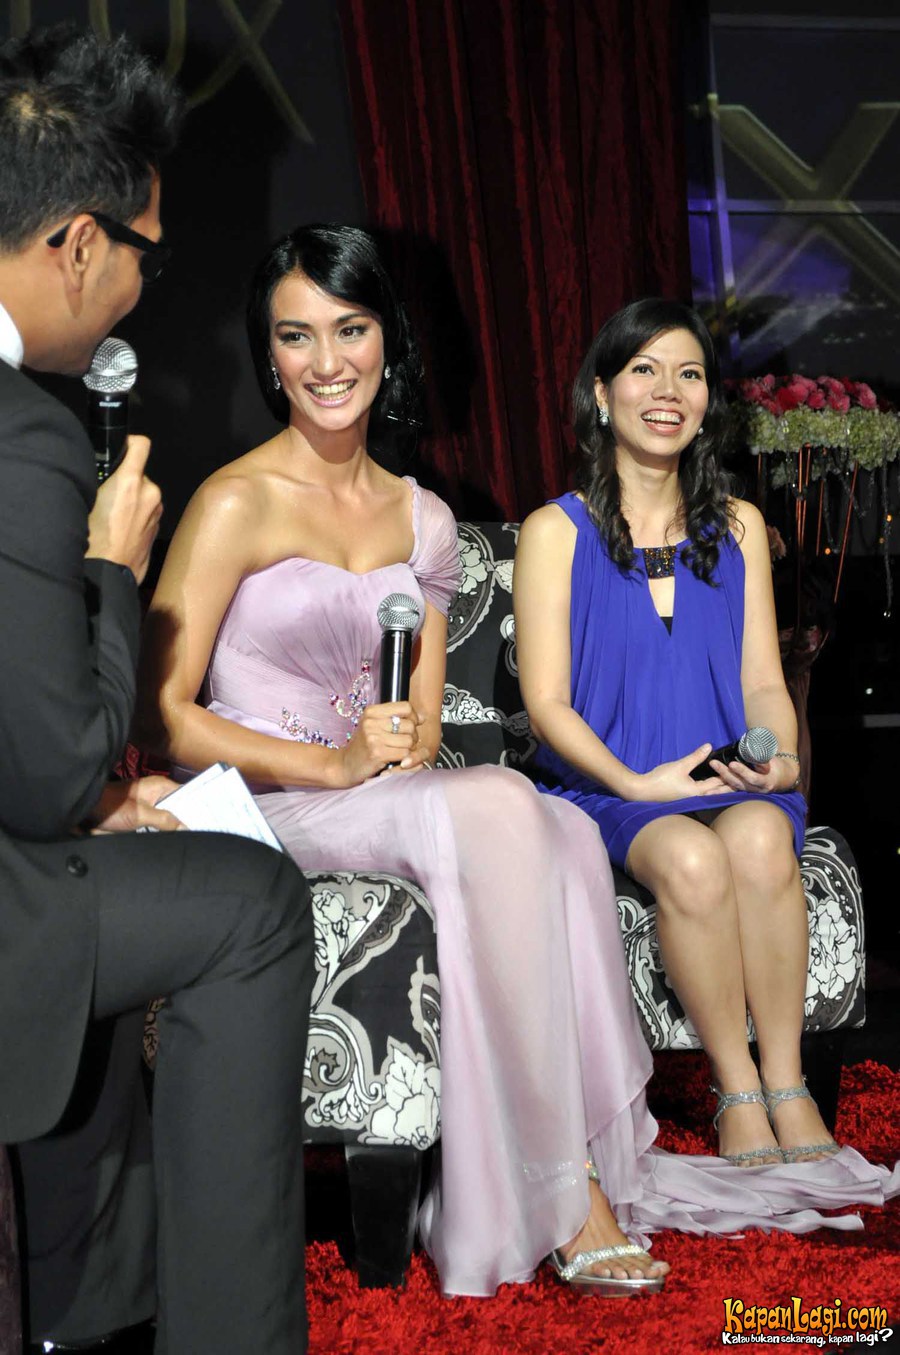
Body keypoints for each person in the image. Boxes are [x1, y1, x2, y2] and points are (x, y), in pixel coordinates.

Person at [138, 228, 898, 1301]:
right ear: (268, 355)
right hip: (277, 799)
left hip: (380, 793)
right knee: (503, 803)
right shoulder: (234, 502)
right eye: (296, 336)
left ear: (387, 344)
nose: (327, 360)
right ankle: (569, 1189)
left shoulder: (424, 520)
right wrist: (332, 760)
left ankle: (601, 1149)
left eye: (350, 329)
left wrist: (388, 746)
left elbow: (418, 724)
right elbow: (162, 712)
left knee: (558, 822)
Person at [0, 27, 313, 1354]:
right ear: (77, 243)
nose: (141, 291)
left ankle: (86, 1309)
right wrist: (113, 573)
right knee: (250, 904)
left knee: (138, 877)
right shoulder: (23, 435)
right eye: (146, 255)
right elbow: (59, 770)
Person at [513, 298, 879, 1168]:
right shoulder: (553, 532)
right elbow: (547, 704)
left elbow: (762, 680)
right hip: (610, 786)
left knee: (759, 838)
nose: (667, 391)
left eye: (689, 374)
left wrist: (778, 757)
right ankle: (735, 1086)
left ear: (709, 400)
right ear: (601, 393)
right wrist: (636, 784)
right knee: (689, 856)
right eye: (644, 370)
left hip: (725, 773)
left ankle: (787, 1080)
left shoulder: (740, 527)